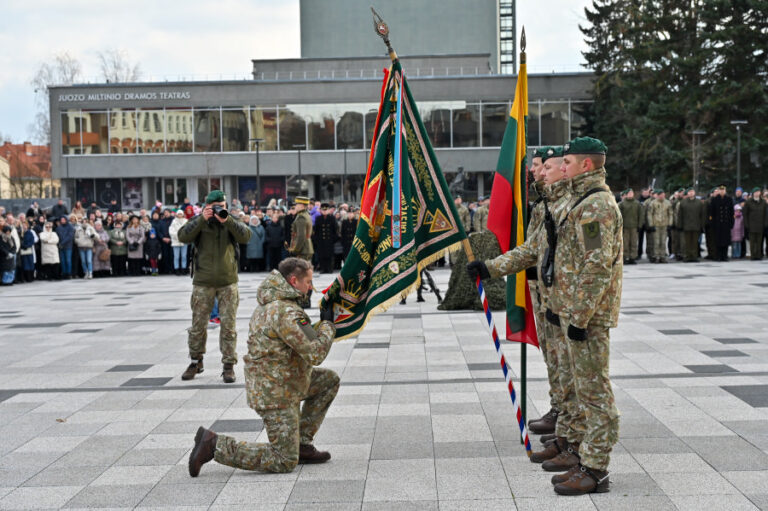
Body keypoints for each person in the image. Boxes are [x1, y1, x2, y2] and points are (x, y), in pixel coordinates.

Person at [187, 257, 338, 477]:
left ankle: (301, 445)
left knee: (328, 381)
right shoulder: (285, 312)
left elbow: (303, 338)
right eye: (308, 282)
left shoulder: (277, 304)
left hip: (283, 380)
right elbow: (315, 353)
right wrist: (328, 326)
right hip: (276, 393)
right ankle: (214, 446)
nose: (311, 287)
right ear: (294, 281)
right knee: (283, 460)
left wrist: (320, 328)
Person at [178, 190, 251, 384]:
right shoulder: (198, 221)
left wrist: (227, 220)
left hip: (228, 281)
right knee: (198, 326)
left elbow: (246, 237)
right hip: (203, 281)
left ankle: (228, 365)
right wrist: (203, 219)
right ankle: (195, 361)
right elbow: (183, 237)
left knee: (229, 327)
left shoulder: (230, 221)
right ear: (207, 206)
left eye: (222, 206)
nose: (220, 209)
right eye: (215, 206)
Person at [678, 187, 706, 262]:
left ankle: (694, 256)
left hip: (696, 225)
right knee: (687, 243)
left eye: (692, 192)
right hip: (686, 226)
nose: (691, 193)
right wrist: (680, 225)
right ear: (687, 193)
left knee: (695, 242)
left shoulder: (699, 202)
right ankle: (687, 256)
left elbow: (702, 215)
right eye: (689, 192)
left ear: (694, 193)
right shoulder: (683, 202)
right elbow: (680, 215)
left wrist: (702, 225)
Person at [645, 189, 673, 263]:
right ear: (657, 195)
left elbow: (670, 214)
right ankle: (656, 256)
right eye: (660, 195)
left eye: (663, 194)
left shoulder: (668, 203)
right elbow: (650, 214)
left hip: (664, 224)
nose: (662, 196)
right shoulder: (653, 203)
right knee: (656, 242)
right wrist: (651, 224)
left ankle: (662, 256)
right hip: (656, 224)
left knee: (663, 242)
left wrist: (670, 224)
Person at [708, 185, 735, 261]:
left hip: (726, 223)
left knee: (725, 241)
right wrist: (712, 223)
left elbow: (731, 212)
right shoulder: (714, 200)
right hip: (718, 224)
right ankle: (718, 256)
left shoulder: (729, 199)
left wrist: (731, 223)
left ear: (725, 191)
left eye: (723, 190)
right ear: (719, 191)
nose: (722, 191)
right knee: (718, 241)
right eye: (720, 190)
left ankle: (725, 256)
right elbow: (712, 213)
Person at [618, 189, 643, 264]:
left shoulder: (637, 203)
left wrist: (640, 225)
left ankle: (632, 257)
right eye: (629, 193)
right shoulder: (622, 204)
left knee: (634, 243)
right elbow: (619, 216)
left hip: (634, 226)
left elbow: (640, 215)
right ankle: (625, 257)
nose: (631, 194)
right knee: (625, 243)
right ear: (626, 194)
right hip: (625, 226)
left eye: (632, 193)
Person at [313, 203, 338, 274]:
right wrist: (316, 240)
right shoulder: (318, 219)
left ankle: (329, 268)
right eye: (323, 210)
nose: (324, 211)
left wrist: (333, 239)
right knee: (321, 255)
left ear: (329, 210)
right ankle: (323, 269)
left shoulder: (332, 218)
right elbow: (316, 231)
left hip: (329, 240)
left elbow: (335, 230)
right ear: (320, 210)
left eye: (326, 210)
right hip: (321, 241)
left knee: (329, 255)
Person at [742, 188, 766, 260]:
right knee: (752, 241)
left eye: (758, 192)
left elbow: (765, 214)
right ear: (753, 193)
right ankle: (753, 255)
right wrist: (746, 224)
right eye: (755, 192)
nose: (757, 193)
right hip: (751, 225)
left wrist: (765, 223)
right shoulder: (748, 202)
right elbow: (745, 213)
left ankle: (758, 255)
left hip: (760, 225)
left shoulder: (763, 202)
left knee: (759, 241)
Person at [169, 210, 189, 275]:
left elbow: (188, 230)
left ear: (183, 214)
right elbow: (171, 231)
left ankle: (183, 269)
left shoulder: (186, 221)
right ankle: (177, 269)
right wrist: (178, 236)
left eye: (181, 214)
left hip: (184, 241)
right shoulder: (174, 222)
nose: (180, 215)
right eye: (179, 214)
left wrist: (183, 236)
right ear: (177, 215)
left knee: (184, 256)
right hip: (176, 241)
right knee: (176, 257)